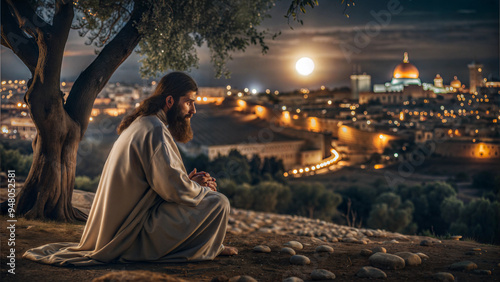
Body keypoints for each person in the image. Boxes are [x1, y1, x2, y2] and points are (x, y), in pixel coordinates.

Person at [23, 72, 237, 266]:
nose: (193, 110)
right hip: (133, 230)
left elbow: (164, 182)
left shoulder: (144, 123)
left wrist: (189, 183)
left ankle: (209, 247)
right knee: (218, 202)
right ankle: (206, 249)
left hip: (125, 223)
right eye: (189, 102)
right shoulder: (154, 129)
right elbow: (173, 189)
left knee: (208, 198)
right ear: (170, 101)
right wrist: (197, 187)